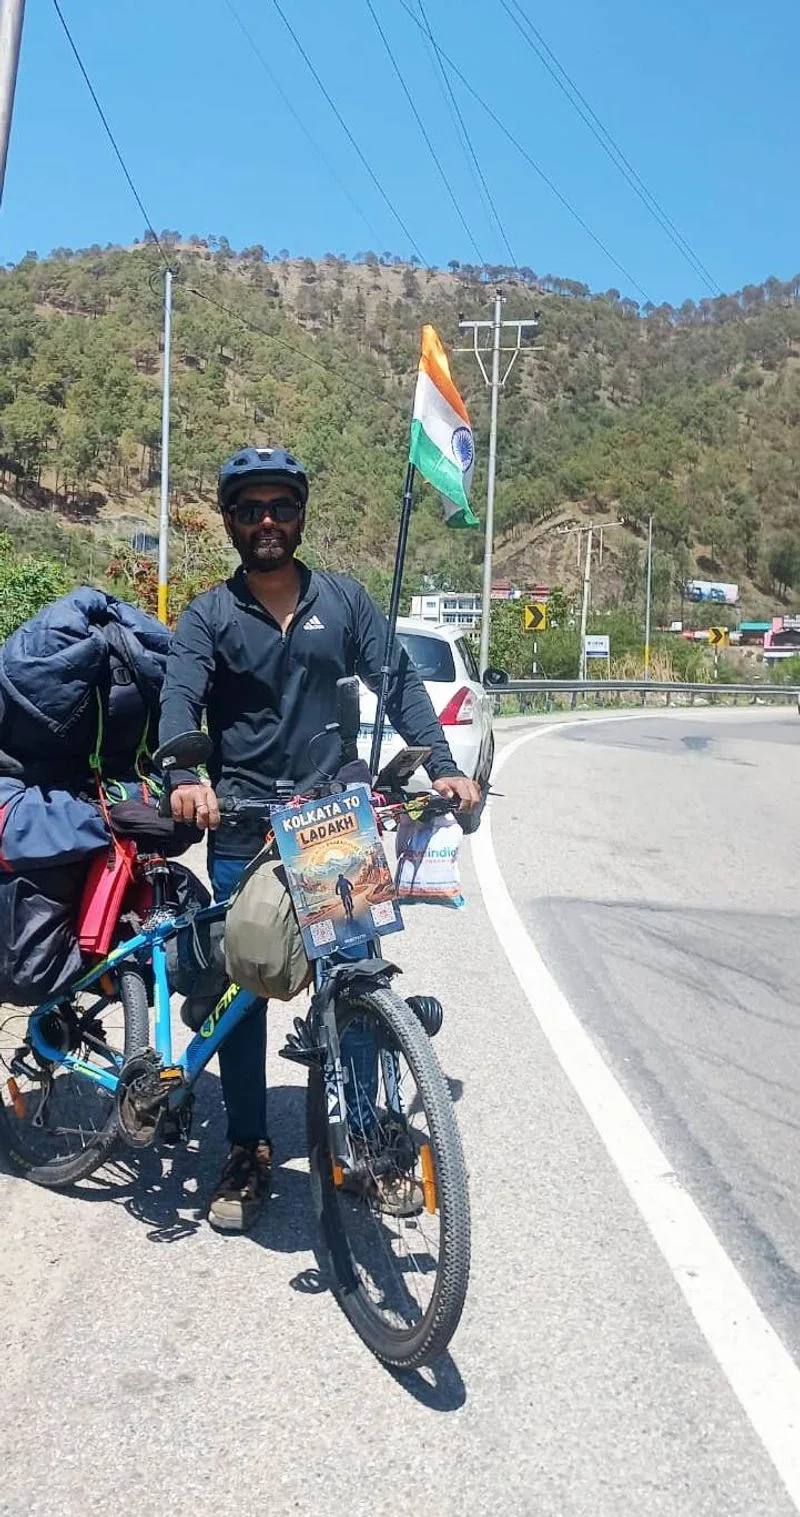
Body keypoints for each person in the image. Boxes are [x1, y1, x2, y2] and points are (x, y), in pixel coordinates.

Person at [159, 445, 480, 1233]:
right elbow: (180, 698)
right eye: (250, 509)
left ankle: (367, 1138)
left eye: (281, 507)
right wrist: (185, 775)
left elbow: (398, 683)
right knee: (244, 993)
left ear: (301, 515)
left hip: (331, 824)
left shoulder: (345, 601)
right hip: (241, 827)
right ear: (230, 521)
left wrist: (441, 764)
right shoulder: (208, 614)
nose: (267, 521)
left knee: (356, 977)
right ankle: (247, 1146)